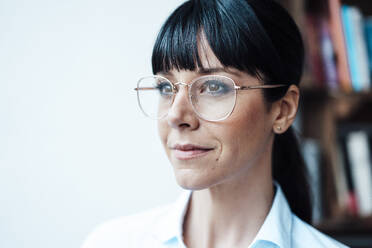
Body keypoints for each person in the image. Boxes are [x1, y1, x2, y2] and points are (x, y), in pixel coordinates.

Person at [82, 0, 349, 247]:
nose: (176, 116)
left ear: (282, 110)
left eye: (213, 87)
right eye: (166, 87)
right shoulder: (111, 241)